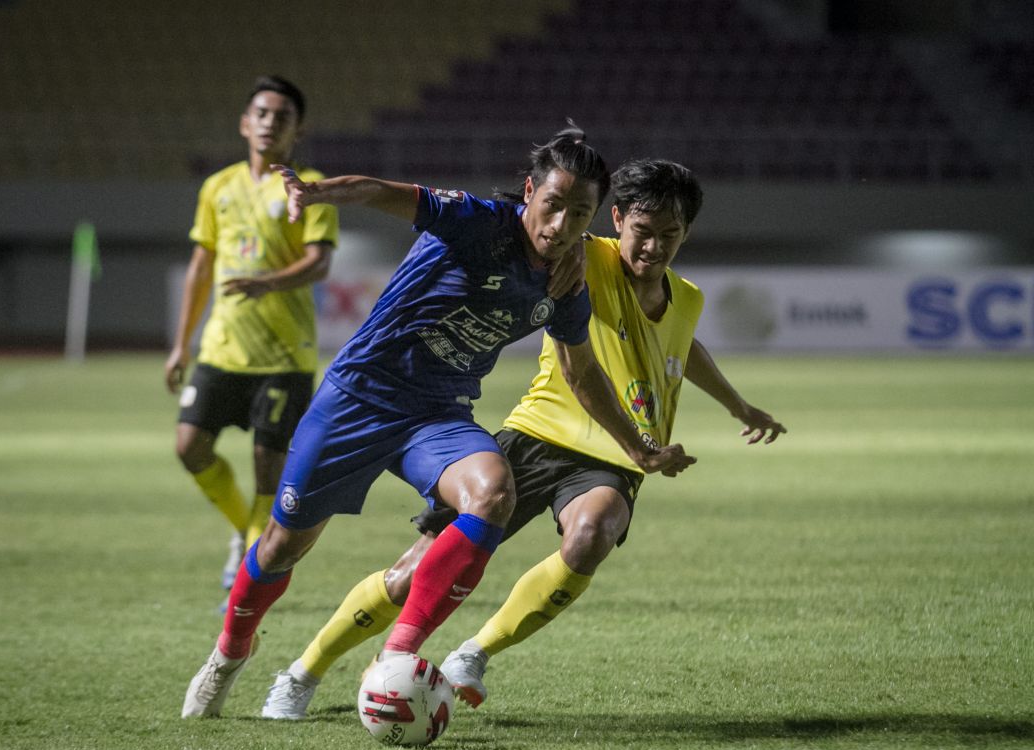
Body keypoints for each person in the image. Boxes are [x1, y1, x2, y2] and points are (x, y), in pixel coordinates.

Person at [181, 130, 697, 719]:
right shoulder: (477, 222)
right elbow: (382, 191)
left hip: (437, 415)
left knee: (493, 493)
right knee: (280, 547)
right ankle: (228, 655)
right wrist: (317, 193)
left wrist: (639, 447)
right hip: (357, 400)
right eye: (552, 204)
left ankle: (398, 658)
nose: (559, 223)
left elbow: (584, 374)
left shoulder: (565, 282)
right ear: (530, 191)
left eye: (579, 214)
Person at [257, 159, 786, 720]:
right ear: (616, 221)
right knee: (413, 571)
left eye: (669, 236)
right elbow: (537, 224)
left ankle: (473, 653)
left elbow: (683, 347)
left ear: (687, 234)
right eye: (642, 232)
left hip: (615, 453)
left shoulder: (689, 297)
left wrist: (738, 404)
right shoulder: (583, 253)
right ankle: (302, 671)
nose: (653, 247)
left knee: (592, 534)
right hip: (536, 433)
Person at [165, 76, 338, 590]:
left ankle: (249, 570)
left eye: (281, 117)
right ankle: (244, 530)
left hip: (285, 355)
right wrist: (181, 344)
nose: (269, 123)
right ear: (245, 123)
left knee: (269, 466)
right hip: (222, 349)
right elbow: (201, 267)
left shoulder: (310, 185)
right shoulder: (217, 187)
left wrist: (266, 283)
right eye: (261, 113)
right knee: (189, 446)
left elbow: (319, 262)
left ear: (297, 130)